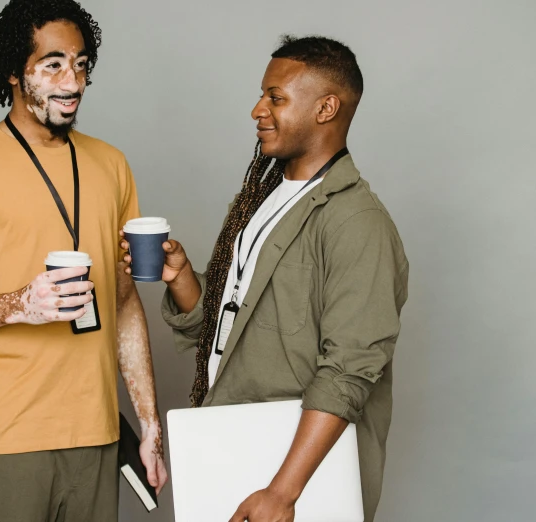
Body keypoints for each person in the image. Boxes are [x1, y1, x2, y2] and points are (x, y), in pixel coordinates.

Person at [122, 34, 408, 522]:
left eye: (275, 97)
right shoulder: (263, 197)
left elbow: (349, 371)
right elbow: (227, 324)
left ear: (326, 108)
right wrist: (182, 279)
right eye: (262, 95)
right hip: (234, 445)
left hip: (297, 474)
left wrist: (283, 493)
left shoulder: (357, 222)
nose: (258, 110)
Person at [0, 1, 166, 520]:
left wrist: (149, 422)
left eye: (82, 63)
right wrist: (19, 304)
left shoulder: (111, 164)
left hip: (97, 434)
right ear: (13, 73)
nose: (72, 80)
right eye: (52, 64)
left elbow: (123, 300)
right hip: (6, 436)